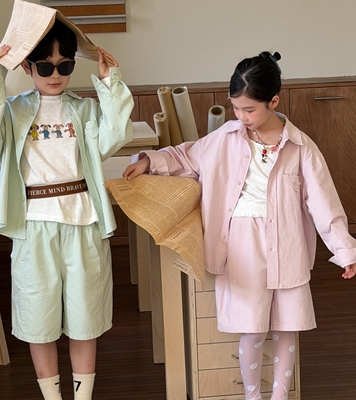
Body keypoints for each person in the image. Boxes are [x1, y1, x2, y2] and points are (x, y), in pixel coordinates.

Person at [123, 51, 356, 400]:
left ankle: (280, 396)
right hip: (241, 245)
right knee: (252, 329)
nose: (242, 117)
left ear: (273, 101)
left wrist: (345, 250)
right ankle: (252, 395)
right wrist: (148, 161)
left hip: (287, 244)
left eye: (250, 109)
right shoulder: (226, 138)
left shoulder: (301, 147)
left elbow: (325, 204)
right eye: (236, 108)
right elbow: (186, 155)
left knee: (287, 327)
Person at [0, 19, 134, 400]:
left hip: (83, 222)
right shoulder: (12, 112)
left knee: (85, 319)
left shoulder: (85, 111)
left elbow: (115, 136)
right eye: (45, 66)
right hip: (33, 226)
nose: (55, 74)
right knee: (38, 319)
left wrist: (110, 83)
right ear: (28, 67)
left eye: (65, 65)